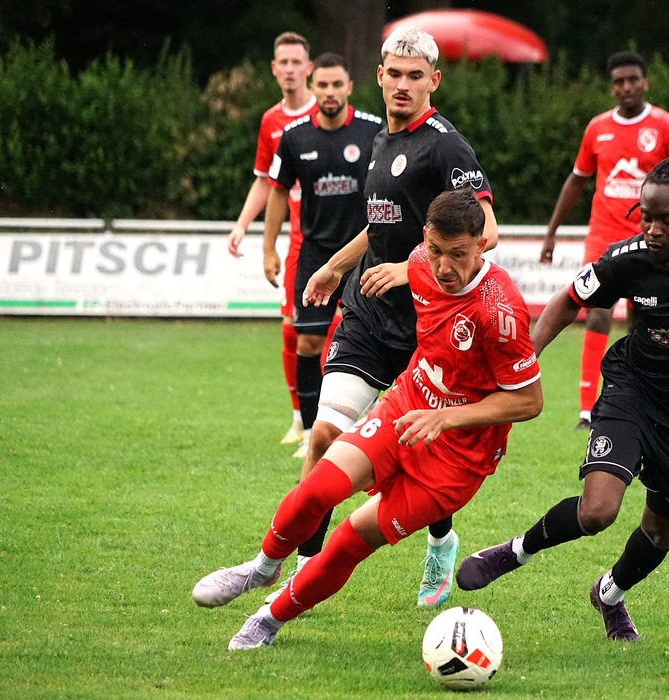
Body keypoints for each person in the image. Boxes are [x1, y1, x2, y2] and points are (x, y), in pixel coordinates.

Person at [456, 148, 669, 642]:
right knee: (597, 511)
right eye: (646, 217)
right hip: (634, 390)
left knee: (660, 533)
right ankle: (514, 552)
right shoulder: (629, 257)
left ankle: (609, 594)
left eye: (667, 220)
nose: (653, 230)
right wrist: (523, 362)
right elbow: (568, 300)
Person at [192, 189, 542, 651]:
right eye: (435, 250)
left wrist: (446, 419)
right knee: (317, 489)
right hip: (406, 409)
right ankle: (261, 568)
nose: (443, 267)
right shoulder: (419, 261)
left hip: (458, 461)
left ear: (482, 244)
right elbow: (405, 255)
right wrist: (378, 268)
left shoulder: (500, 312)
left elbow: (528, 401)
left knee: (348, 542)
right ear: (425, 238)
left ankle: (268, 620)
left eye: (458, 255)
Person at [297, 25, 498, 608]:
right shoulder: (382, 140)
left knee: (420, 453)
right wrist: (334, 267)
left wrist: (413, 271)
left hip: (427, 324)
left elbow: (485, 232)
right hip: (368, 312)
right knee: (325, 435)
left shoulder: (446, 147)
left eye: (416, 76)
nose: (404, 85)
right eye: (395, 74)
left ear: (435, 80)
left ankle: (440, 540)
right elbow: (383, 224)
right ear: (380, 77)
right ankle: (302, 567)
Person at [259, 52, 381, 575]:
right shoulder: (293, 137)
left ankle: (361, 423)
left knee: (366, 346)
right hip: (313, 257)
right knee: (308, 343)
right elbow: (276, 193)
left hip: (364, 259)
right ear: (313, 85)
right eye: (322, 85)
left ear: (350, 85)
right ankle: (312, 430)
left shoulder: (373, 132)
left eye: (337, 84)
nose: (329, 92)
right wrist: (269, 247)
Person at [540, 50, 669, 431]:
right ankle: (586, 410)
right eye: (619, 82)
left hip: (650, 239)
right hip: (603, 238)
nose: (626, 87)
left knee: (645, 317)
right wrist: (552, 231)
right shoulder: (597, 128)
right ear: (611, 87)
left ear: (645, 82)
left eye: (632, 80)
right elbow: (577, 180)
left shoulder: (665, 126)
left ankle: (645, 398)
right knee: (597, 311)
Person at [226, 31, 317, 445]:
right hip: (298, 241)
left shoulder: (327, 113)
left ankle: (334, 416)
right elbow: (266, 181)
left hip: (332, 237)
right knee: (291, 330)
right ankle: (300, 417)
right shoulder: (271, 122)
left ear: (308, 68)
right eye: (284, 62)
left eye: (297, 62)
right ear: (274, 69)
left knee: (330, 330)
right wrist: (243, 225)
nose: (290, 69)